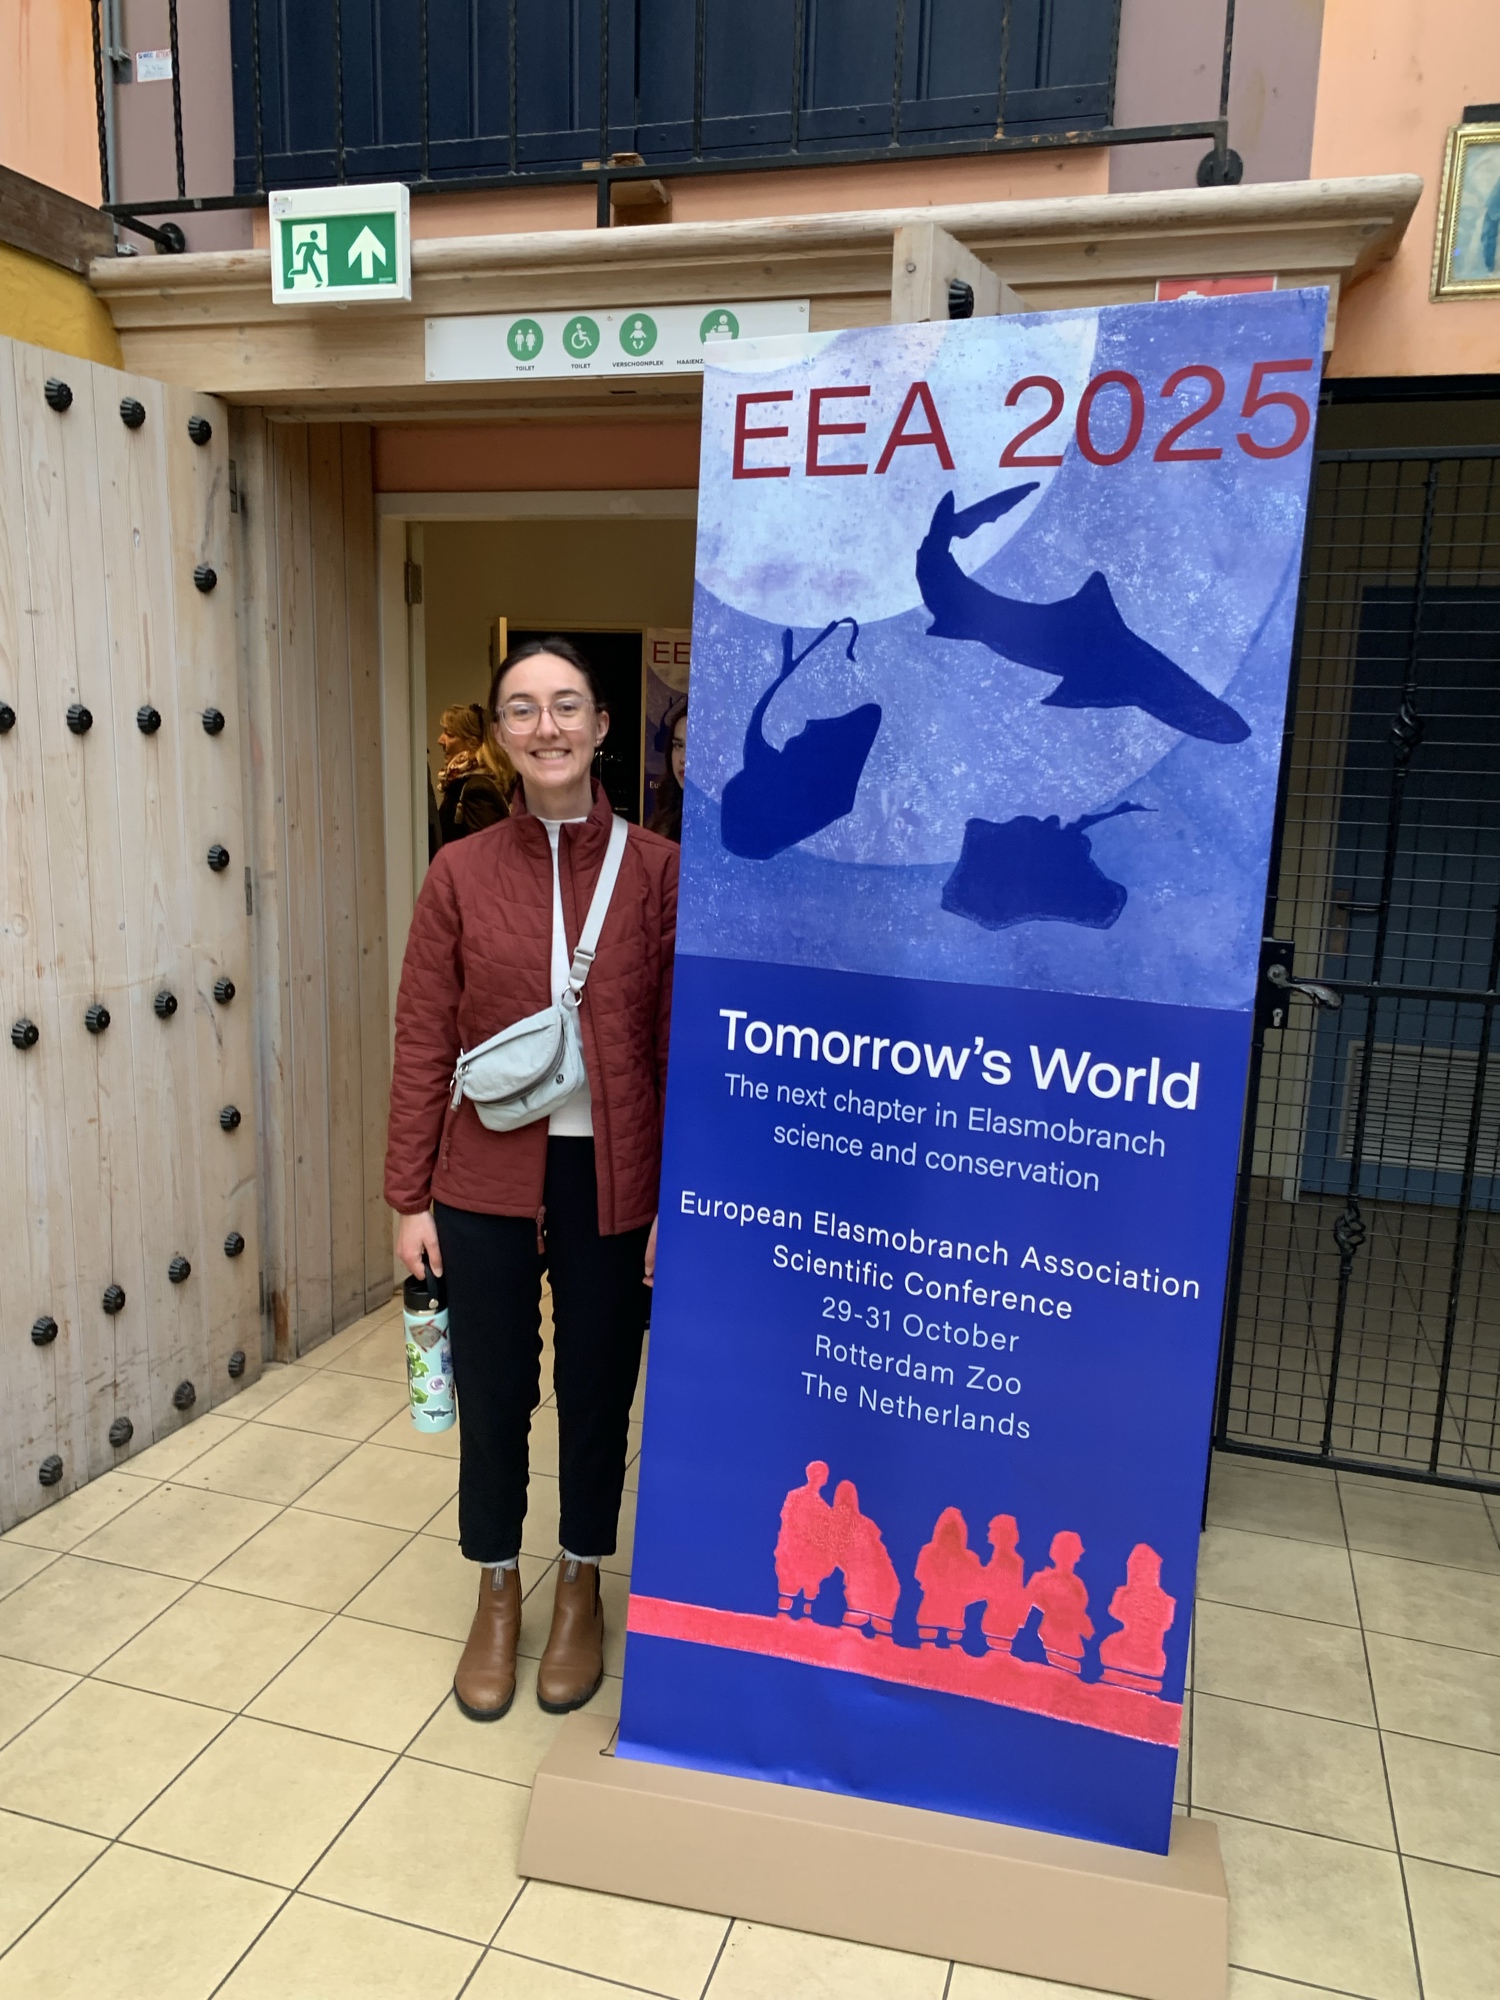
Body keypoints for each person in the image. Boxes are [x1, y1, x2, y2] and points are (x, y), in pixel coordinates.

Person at [386, 637, 678, 1723]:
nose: (545, 726)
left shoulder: (659, 870)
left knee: (600, 1386)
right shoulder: (459, 872)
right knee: (496, 1387)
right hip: (483, 1175)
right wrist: (409, 1196)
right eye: (521, 708)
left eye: (565, 705)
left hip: (616, 1176)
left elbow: (679, 1048)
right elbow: (424, 1038)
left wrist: (676, 1205)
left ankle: (582, 1579)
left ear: (601, 726)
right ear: (502, 732)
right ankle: (498, 1586)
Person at [436, 701, 514, 843]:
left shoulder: (477, 790)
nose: (440, 740)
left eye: (449, 734)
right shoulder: (487, 782)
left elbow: (485, 851)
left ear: (472, 742)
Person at [646, 696, 688, 842]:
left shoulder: (724, 815)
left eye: (693, 748)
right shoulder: (665, 810)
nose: (683, 759)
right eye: (678, 746)